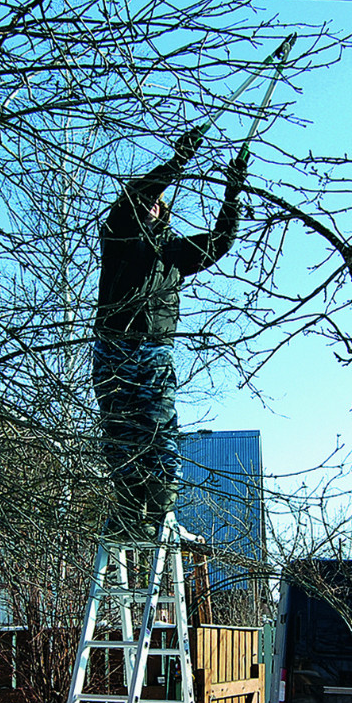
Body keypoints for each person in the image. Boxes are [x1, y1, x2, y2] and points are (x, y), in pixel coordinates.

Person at [93, 126, 247, 542]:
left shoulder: (175, 253)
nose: (153, 206)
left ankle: (159, 508)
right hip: (111, 348)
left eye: (159, 205)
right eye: (150, 202)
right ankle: (129, 511)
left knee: (158, 432)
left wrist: (232, 195)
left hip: (152, 352)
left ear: (166, 214)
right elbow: (136, 195)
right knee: (119, 435)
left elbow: (220, 241)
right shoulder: (120, 234)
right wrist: (178, 162)